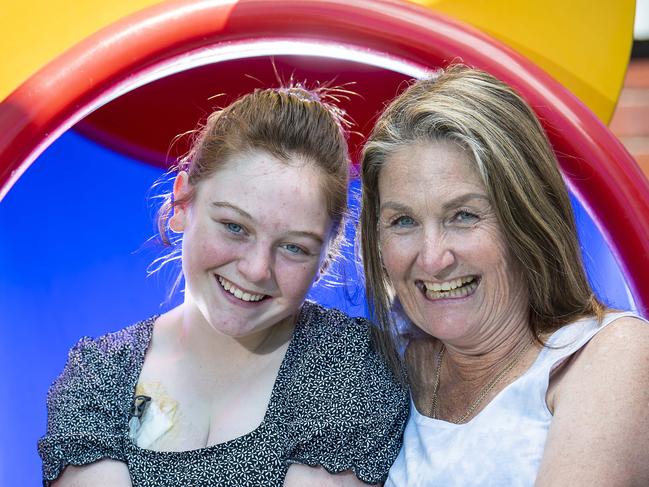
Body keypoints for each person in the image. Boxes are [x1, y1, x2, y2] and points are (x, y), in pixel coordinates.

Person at [39, 86, 408, 486]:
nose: (255, 269)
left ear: (326, 257)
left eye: (294, 248)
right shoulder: (100, 375)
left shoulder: (353, 365)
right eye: (235, 227)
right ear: (182, 205)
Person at [359, 65, 649, 486]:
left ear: (528, 219)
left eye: (463, 215)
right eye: (403, 221)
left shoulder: (609, 355)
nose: (433, 258)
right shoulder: (380, 366)